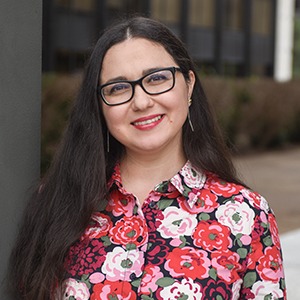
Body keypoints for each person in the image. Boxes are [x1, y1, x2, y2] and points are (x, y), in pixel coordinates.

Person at [8, 17, 286, 299]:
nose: (141, 102)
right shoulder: (58, 203)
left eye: (157, 79)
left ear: (188, 85)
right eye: (117, 88)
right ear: (99, 106)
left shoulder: (246, 214)